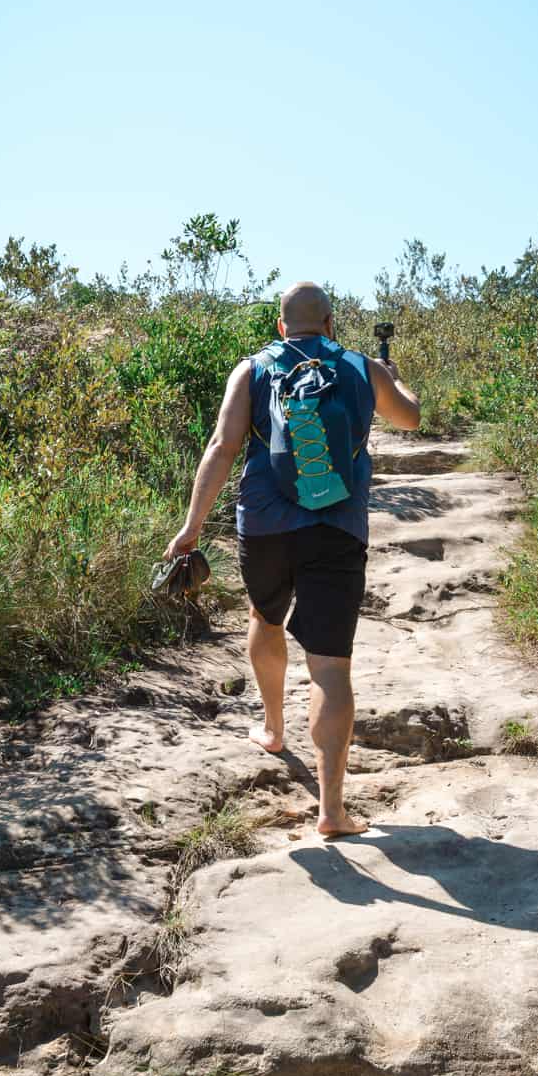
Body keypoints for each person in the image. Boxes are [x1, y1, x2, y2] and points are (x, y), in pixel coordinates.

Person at [163, 281, 421, 836]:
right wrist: (393, 376)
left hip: (264, 525)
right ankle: (332, 811)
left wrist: (191, 528)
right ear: (331, 322)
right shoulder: (360, 367)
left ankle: (272, 727)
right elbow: (410, 419)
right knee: (330, 665)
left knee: (265, 616)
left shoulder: (251, 369)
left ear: (282, 326)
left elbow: (221, 447)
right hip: (337, 528)